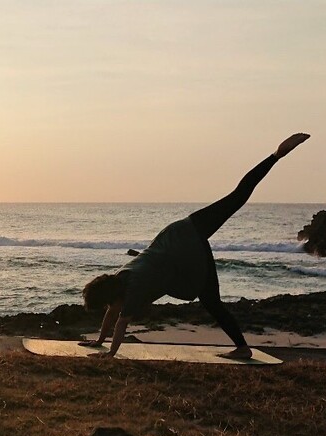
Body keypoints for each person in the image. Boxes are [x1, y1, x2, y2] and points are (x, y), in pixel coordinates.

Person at [80, 133, 311, 359]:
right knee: (236, 198)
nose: (110, 307)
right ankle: (276, 154)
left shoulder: (133, 290)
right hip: (180, 230)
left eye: (107, 302)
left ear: (111, 295)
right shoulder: (120, 277)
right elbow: (112, 313)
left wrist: (111, 353)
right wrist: (100, 341)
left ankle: (243, 347)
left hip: (187, 246)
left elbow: (121, 322)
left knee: (211, 300)